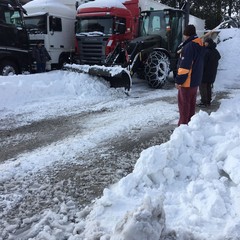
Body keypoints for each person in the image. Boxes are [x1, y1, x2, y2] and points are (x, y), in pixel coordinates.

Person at [175, 24, 205, 126]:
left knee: (184, 107)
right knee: (191, 106)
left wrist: (179, 81)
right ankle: (191, 126)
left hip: (187, 82)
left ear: (186, 35)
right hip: (195, 81)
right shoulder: (200, 44)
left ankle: (182, 128)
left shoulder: (189, 47)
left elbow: (184, 67)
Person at [198, 38, 221, 107]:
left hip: (205, 73)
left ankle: (204, 102)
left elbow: (203, 63)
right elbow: (219, 57)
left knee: (202, 87)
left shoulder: (206, 51)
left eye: (206, 43)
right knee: (208, 87)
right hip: (212, 72)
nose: (204, 44)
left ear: (208, 43)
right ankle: (208, 101)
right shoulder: (215, 51)